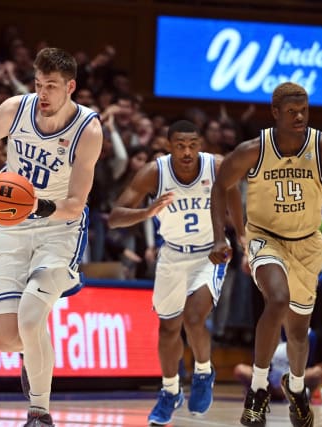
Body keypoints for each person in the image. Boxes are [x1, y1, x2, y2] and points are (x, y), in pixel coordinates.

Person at [0, 47, 102, 427]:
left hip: (59, 229)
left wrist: (38, 206)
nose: (43, 94)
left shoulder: (88, 130)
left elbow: (76, 203)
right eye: (38, 84)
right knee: (5, 337)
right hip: (12, 227)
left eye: (52, 86)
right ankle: (31, 356)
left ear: (70, 87)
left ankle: (39, 412)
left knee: (32, 318)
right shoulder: (15, 109)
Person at [209, 82, 322, 427]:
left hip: (307, 244)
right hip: (266, 239)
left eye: (304, 110)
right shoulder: (252, 149)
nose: (300, 117)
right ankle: (259, 389)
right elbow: (221, 186)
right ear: (274, 113)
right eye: (292, 112)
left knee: (298, 333)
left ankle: (296, 385)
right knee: (277, 299)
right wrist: (222, 237)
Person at [107, 120, 242, 425]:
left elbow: (233, 192)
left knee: (194, 317)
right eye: (180, 145)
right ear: (169, 146)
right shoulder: (154, 172)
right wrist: (147, 211)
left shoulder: (216, 166)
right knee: (168, 329)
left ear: (200, 145)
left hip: (209, 253)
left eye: (193, 144)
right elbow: (114, 217)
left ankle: (204, 373)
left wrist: (238, 235)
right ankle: (170, 392)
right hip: (171, 256)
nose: (186, 151)